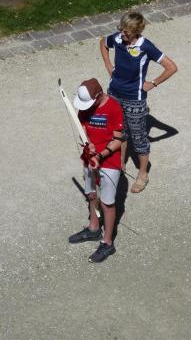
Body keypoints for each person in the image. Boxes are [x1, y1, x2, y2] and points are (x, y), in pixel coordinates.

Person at [100, 11, 177, 193]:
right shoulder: (118, 39)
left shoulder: (146, 46)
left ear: (137, 31)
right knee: (119, 132)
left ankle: (143, 173)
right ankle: (120, 165)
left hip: (135, 99)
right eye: (121, 29)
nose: (122, 34)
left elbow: (171, 67)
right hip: (115, 94)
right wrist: (108, 65)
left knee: (139, 138)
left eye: (127, 32)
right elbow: (103, 43)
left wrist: (153, 83)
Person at [68, 78, 124, 263]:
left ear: (99, 94)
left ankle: (107, 242)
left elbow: (118, 140)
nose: (85, 107)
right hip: (89, 158)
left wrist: (100, 155)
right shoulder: (84, 106)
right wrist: (87, 144)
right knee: (91, 194)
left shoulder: (114, 107)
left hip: (109, 162)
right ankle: (93, 228)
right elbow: (82, 128)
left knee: (107, 202)